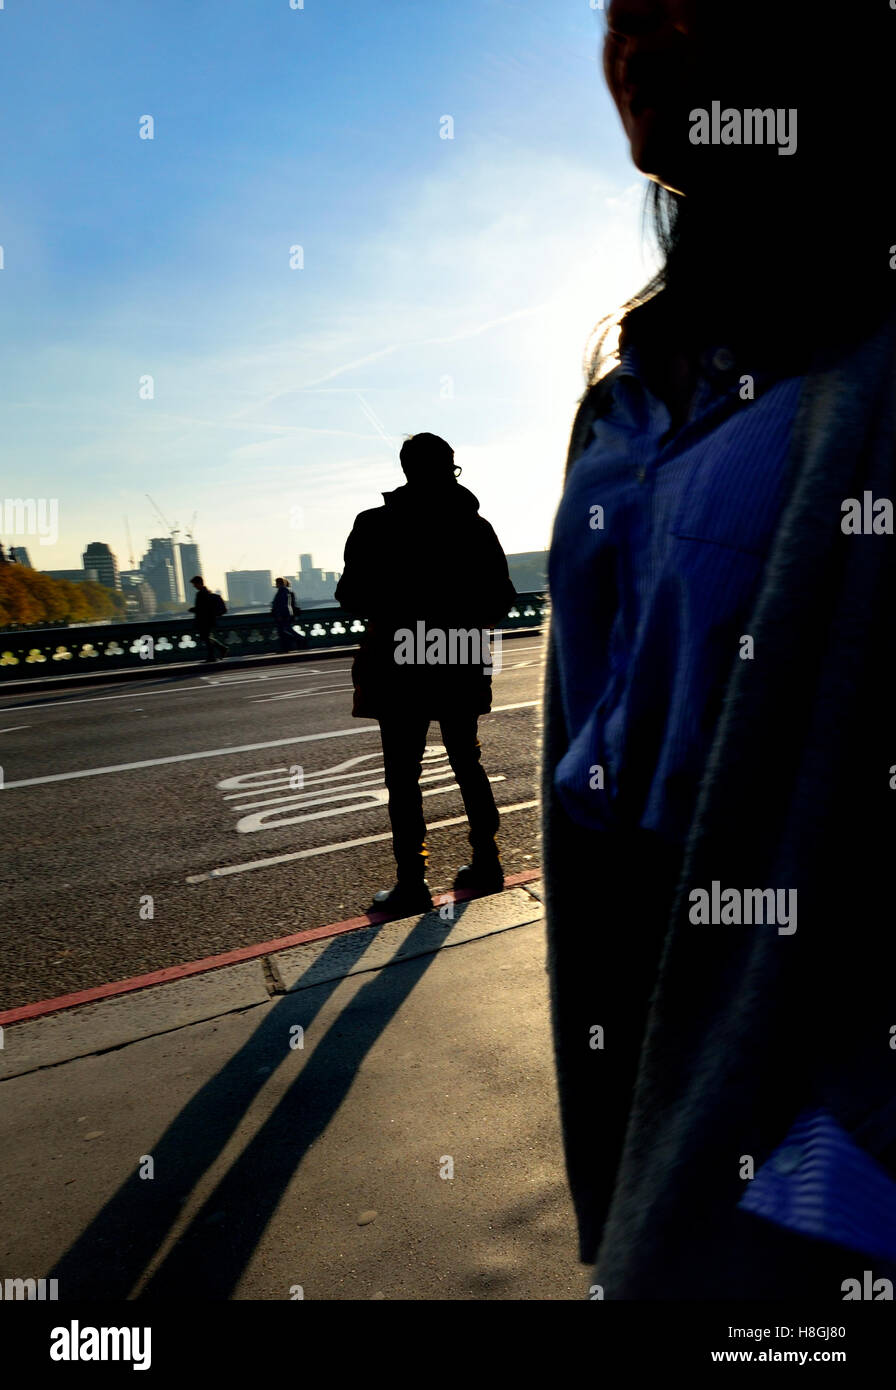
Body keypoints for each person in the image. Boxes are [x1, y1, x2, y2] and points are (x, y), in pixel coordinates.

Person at [544, 0, 896, 1299]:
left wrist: (832, 1188)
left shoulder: (864, 360)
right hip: (654, 1056)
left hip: (814, 1120)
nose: (637, 21)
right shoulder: (633, 384)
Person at [336, 433, 517, 918]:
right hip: (459, 657)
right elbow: (502, 599)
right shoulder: (476, 527)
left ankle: (412, 882)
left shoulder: (374, 525)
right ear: (451, 468)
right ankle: (487, 861)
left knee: (403, 774)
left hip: (399, 662)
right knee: (467, 762)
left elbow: (350, 597)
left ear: (405, 470)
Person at [188, 575, 228, 663]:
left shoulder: (200, 594)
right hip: (209, 619)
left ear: (199, 583)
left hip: (204, 620)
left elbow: (201, 608)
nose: (194, 586)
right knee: (206, 637)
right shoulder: (206, 592)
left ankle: (213, 655)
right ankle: (220, 649)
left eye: (194, 584)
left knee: (205, 638)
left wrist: (193, 609)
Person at [271, 576, 301, 651]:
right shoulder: (285, 590)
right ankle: (288, 646)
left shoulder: (283, 591)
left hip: (283, 614)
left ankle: (297, 640)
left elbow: (282, 604)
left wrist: (279, 614)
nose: (275, 584)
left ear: (279, 583)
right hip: (285, 614)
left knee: (283, 631)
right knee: (285, 630)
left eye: (276, 583)